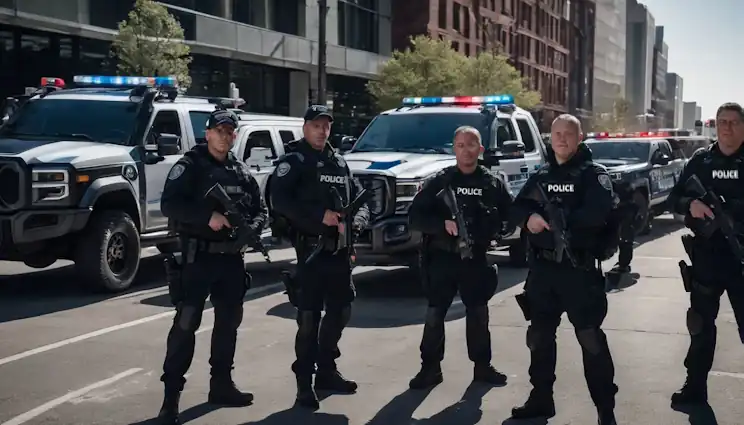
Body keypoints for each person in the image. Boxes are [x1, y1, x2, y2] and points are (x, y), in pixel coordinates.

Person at [156, 109, 267, 425]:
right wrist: (207, 218)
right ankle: (170, 400)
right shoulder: (189, 167)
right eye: (219, 130)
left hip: (231, 259)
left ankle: (221, 386)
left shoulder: (241, 172)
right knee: (186, 323)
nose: (225, 136)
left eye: (230, 131)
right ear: (207, 134)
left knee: (228, 323)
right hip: (198, 258)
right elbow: (170, 204)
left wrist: (251, 231)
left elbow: (260, 211)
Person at [510, 114, 618, 425]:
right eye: (556, 133)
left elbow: (598, 213)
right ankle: (541, 399)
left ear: (579, 137)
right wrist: (529, 219)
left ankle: (605, 409)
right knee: (539, 337)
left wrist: (560, 218)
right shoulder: (542, 174)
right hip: (543, 272)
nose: (561, 139)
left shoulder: (593, 175)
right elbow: (517, 207)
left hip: (578, 270)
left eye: (568, 134)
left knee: (590, 338)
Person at [269, 105, 370, 410]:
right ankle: (304, 383)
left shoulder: (338, 162)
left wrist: (356, 223)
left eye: (326, 126)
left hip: (339, 251)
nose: (322, 131)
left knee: (341, 312)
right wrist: (319, 215)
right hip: (310, 251)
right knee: (309, 319)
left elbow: (360, 200)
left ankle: (327, 370)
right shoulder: (294, 162)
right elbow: (280, 200)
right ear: (305, 127)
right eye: (316, 125)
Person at [406, 126, 513, 389]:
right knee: (434, 315)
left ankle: (482, 367)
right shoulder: (440, 181)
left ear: (481, 149)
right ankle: (430, 369)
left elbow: (510, 216)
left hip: (475, 258)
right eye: (461, 145)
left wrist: (497, 230)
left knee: (478, 314)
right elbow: (415, 216)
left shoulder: (492, 182)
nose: (466, 150)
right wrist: (442, 224)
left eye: (472, 144)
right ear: (454, 149)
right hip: (442, 258)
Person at [668, 102, 744, 406]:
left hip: (741, 260)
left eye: (734, 122)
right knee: (699, 325)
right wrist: (691, 205)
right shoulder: (701, 160)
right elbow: (675, 198)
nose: (726, 128)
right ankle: (694, 387)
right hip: (707, 260)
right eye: (722, 122)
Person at [606, 180, 638, 286]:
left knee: (626, 238)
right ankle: (623, 264)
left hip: (623, 211)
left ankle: (623, 265)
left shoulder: (628, 207)